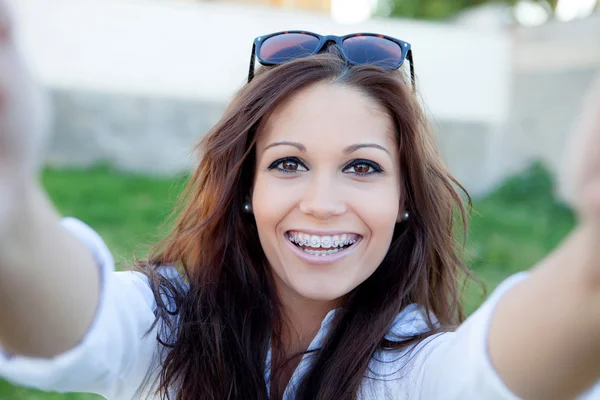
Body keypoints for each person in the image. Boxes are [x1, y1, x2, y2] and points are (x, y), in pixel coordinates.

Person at [1, 2, 600, 398]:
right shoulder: (170, 324)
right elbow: (77, 324)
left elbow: (491, 378)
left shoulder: (412, 370)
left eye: (362, 167)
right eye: (289, 164)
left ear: (405, 201)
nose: (321, 202)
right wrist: (11, 197)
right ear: (245, 189)